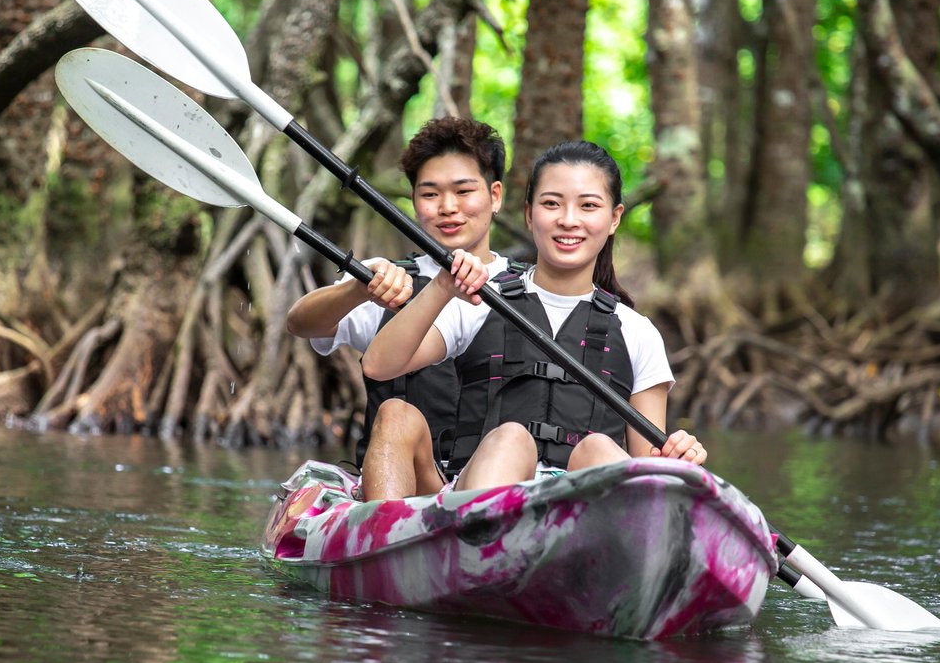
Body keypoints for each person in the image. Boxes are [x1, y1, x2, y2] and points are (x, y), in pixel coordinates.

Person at [361, 139, 705, 494]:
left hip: (583, 511)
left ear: (614, 218)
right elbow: (378, 365)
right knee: (422, 419)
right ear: (529, 214)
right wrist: (442, 288)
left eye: (588, 206)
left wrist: (675, 457)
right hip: (476, 495)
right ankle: (431, 537)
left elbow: (648, 461)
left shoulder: (637, 331)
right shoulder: (481, 300)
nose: (568, 221)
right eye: (551, 204)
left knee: (598, 449)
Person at [284, 117, 510, 498]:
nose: (448, 207)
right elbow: (300, 323)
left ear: (496, 196)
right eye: (430, 194)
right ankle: (384, 532)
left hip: (492, 487)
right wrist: (356, 290)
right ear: (414, 201)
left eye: (464, 191)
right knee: (395, 414)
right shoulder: (385, 280)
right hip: (403, 483)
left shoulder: (529, 289)